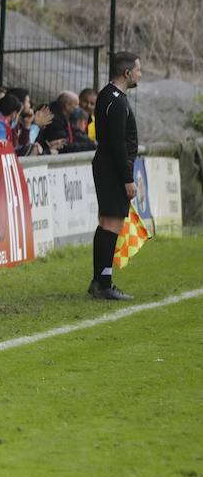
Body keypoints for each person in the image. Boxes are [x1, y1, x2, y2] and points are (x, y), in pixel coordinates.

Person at [89, 52, 142, 301]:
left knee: (106, 222)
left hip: (106, 166)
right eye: (138, 70)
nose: (140, 74)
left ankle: (99, 280)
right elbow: (118, 144)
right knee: (111, 223)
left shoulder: (107, 95)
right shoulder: (117, 101)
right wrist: (127, 178)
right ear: (127, 73)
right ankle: (104, 283)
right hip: (112, 168)